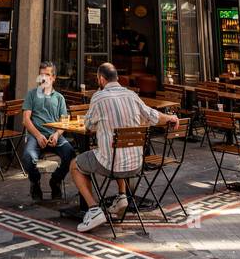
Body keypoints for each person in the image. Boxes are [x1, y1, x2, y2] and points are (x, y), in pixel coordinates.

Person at [67, 62, 179, 233]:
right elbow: (153, 116)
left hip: (110, 165)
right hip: (136, 165)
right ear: (117, 78)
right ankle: (122, 196)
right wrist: (171, 118)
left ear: (101, 79)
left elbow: (88, 126)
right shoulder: (132, 95)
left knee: (75, 165)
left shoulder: (99, 97)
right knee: (118, 148)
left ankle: (93, 209)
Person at [20, 62, 75, 202]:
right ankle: (35, 182)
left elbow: (64, 123)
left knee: (71, 154)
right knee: (28, 157)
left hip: (54, 136)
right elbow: (26, 119)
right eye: (42, 74)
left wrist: (57, 134)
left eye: (47, 75)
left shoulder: (59, 98)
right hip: (35, 136)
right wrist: (38, 136)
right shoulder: (32, 94)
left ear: (54, 77)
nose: (44, 78)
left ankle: (55, 181)